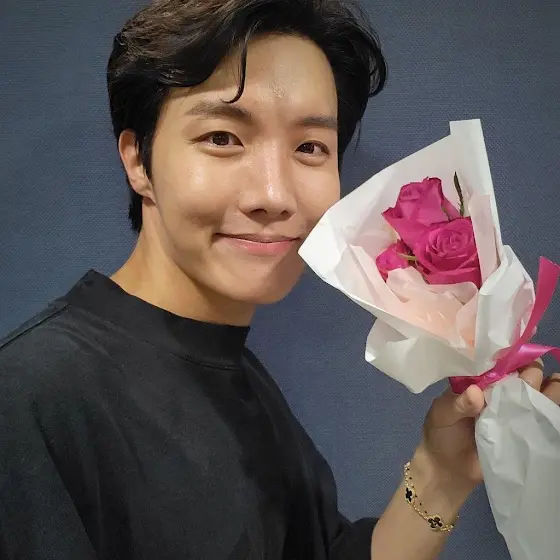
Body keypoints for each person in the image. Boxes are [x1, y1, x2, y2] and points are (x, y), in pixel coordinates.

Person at [1, 0, 558, 558]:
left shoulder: (238, 375)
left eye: (309, 147)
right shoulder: (32, 398)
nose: (274, 195)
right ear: (138, 161)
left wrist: (441, 472)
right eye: (223, 138)